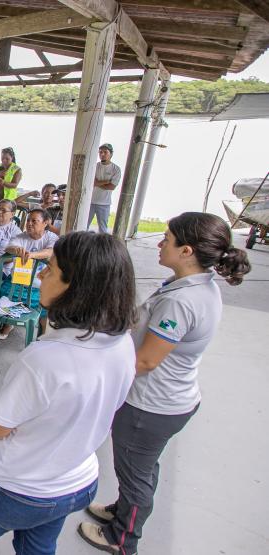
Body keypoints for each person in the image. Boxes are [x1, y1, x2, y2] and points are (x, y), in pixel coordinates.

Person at [0, 232, 138, 555]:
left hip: (18, 486)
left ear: (76, 287)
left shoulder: (47, 358)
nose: (41, 274)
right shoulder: (123, 343)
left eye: (51, 269)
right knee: (38, 547)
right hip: (77, 480)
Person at [78, 212, 251, 555]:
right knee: (140, 467)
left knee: (136, 473)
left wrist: (94, 372)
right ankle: (123, 511)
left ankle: (123, 538)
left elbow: (145, 361)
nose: (159, 242)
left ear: (187, 251)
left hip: (150, 406)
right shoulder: (196, 287)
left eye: (167, 238)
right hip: (171, 401)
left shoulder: (181, 302)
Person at [0, 208, 58, 338]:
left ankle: (42, 334)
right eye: (28, 220)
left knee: (46, 307)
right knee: (4, 292)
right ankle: (8, 324)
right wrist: (16, 250)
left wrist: (32, 255)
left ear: (45, 223)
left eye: (34, 221)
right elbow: (9, 247)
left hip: (40, 285)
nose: (29, 223)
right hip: (18, 281)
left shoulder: (51, 237)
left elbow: (50, 252)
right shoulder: (21, 236)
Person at [88, 143, 122, 234]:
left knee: (103, 229)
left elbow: (112, 187)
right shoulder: (94, 166)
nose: (102, 154)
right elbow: (91, 182)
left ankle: (102, 247)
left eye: (105, 152)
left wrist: (97, 183)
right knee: (84, 225)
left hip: (104, 203)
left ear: (111, 154)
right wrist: (106, 181)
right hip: (90, 202)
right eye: (100, 152)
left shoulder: (116, 169)